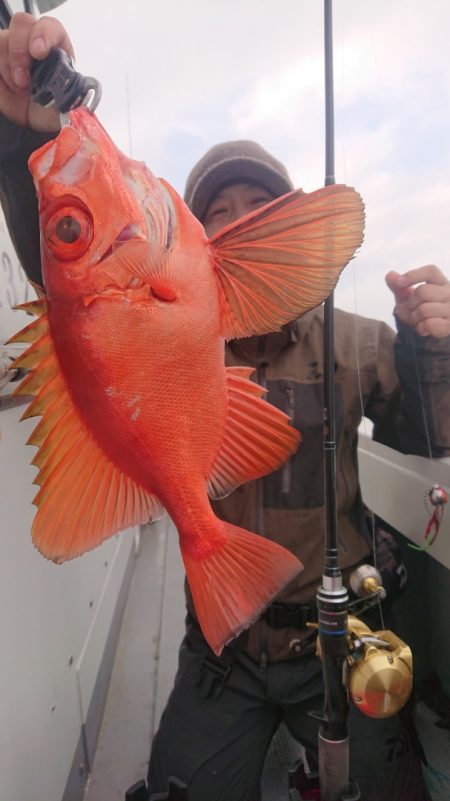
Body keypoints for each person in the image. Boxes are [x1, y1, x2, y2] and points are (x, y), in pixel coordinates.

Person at [0, 13, 449, 801]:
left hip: (334, 641)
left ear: (284, 233)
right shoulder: (179, 326)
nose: (239, 217)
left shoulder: (358, 342)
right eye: (220, 208)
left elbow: (431, 431)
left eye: (259, 202)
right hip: (222, 651)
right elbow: (76, 289)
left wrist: (430, 348)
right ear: (199, 243)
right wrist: (18, 133)